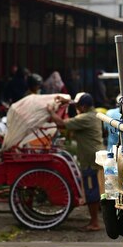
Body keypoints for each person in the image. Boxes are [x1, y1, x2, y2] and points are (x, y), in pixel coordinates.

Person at [46, 92, 104, 232]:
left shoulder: (85, 118)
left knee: (92, 191)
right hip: (94, 156)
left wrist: (50, 112)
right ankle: (94, 220)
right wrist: (67, 101)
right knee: (94, 190)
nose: (75, 109)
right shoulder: (92, 114)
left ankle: (94, 222)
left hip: (91, 159)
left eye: (77, 106)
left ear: (83, 107)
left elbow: (61, 123)